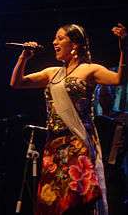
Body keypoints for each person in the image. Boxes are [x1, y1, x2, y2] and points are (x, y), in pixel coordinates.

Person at [10, 22, 127, 215]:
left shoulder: (90, 69)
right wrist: (24, 57)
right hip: (53, 145)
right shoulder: (51, 73)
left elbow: (118, 80)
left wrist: (124, 49)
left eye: (60, 38)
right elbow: (17, 83)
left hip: (77, 142)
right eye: (55, 38)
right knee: (52, 201)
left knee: (75, 200)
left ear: (74, 45)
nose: (54, 41)